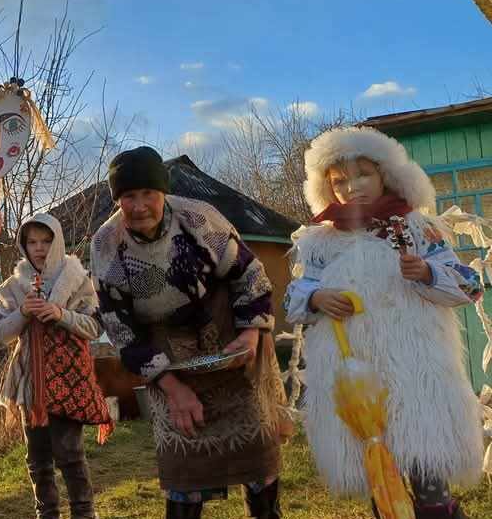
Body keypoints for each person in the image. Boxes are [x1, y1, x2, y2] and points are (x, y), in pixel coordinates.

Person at [284, 127, 484, 519]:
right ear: (325, 187)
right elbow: (293, 297)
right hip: (356, 378)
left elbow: (470, 285)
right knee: (382, 479)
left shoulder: (418, 228)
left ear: (385, 175)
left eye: (363, 174)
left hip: (416, 375)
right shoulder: (320, 243)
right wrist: (316, 297)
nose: (352, 186)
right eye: (339, 180)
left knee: (429, 484)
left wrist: (428, 272)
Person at [92, 146, 287, 519]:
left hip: (231, 333)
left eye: (148, 193)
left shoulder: (199, 219)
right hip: (165, 351)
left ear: (162, 192)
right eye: (128, 196)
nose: (139, 206)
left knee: (258, 458)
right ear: (118, 200)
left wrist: (249, 337)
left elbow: (250, 275)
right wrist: (174, 389)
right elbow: (121, 329)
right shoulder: (106, 245)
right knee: (183, 466)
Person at [0, 212, 111, 519]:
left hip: (69, 378)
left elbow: (95, 327)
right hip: (30, 385)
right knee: (38, 458)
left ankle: (84, 514)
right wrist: (22, 312)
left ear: (57, 241)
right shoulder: (14, 285)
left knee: (70, 455)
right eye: (31, 242)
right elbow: (2, 334)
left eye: (46, 240)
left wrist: (61, 314)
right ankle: (46, 514)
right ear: (23, 245)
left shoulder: (77, 279)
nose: (39, 248)